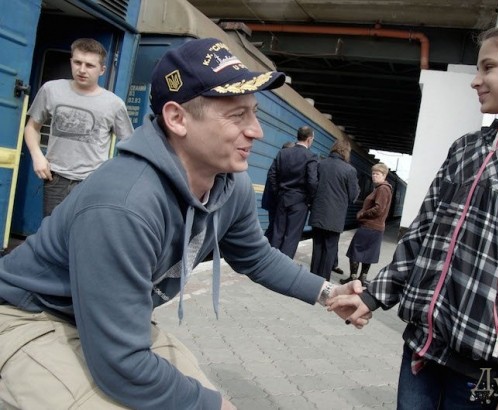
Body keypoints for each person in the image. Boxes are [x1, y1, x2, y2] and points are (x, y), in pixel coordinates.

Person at [0, 37, 370, 410]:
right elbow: (122, 366)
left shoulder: (230, 184)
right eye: (237, 116)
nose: (256, 130)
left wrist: (328, 292)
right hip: (31, 316)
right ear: (177, 118)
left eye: (254, 113)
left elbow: (256, 257)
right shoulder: (124, 203)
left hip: (104, 323)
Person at [328, 22, 498, 409]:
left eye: (488, 67)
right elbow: (421, 236)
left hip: (486, 371)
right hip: (421, 350)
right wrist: (373, 296)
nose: (475, 80)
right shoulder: (465, 149)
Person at [24, 38, 134, 216]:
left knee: (85, 229)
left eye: (89, 65)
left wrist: (112, 175)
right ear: (71, 61)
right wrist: (37, 156)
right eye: (77, 62)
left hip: (92, 181)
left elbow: (130, 144)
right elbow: (32, 127)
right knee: (52, 229)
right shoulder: (51, 90)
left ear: (102, 70)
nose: (82, 70)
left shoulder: (114, 104)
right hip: (55, 178)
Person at [309, 139, 359, 280]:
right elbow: (353, 196)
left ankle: (311, 280)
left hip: (318, 213)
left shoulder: (321, 164)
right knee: (330, 250)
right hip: (335, 218)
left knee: (317, 248)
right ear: (346, 152)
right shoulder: (350, 170)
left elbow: (312, 185)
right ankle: (323, 282)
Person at [268, 125, 319, 258]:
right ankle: (284, 266)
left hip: (282, 198)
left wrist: (278, 192)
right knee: (291, 236)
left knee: (277, 233)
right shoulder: (311, 156)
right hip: (300, 202)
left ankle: (271, 262)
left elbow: (272, 175)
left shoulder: (283, 153)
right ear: (309, 139)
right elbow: (312, 181)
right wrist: (310, 199)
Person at [339, 162, 392, 285]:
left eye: (377, 174)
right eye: (373, 173)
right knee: (368, 254)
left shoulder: (383, 189)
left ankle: (353, 279)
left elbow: (379, 209)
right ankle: (361, 280)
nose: (374, 176)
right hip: (376, 228)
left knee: (355, 252)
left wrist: (362, 214)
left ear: (384, 175)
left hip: (369, 227)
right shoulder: (382, 188)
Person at [262, 141, 295, 242]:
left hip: (273, 200)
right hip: (274, 201)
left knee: (274, 227)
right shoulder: (280, 161)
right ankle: (264, 246)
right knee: (273, 227)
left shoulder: (278, 159)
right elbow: (272, 177)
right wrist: (278, 193)